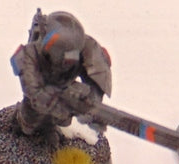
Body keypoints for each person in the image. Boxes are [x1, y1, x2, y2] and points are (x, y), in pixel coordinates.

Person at [9, 9, 112, 138]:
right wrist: (62, 106)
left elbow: (98, 78)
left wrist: (90, 105)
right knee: (29, 122)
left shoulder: (87, 48)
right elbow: (34, 92)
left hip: (64, 87)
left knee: (60, 120)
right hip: (42, 93)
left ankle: (50, 127)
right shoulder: (29, 54)